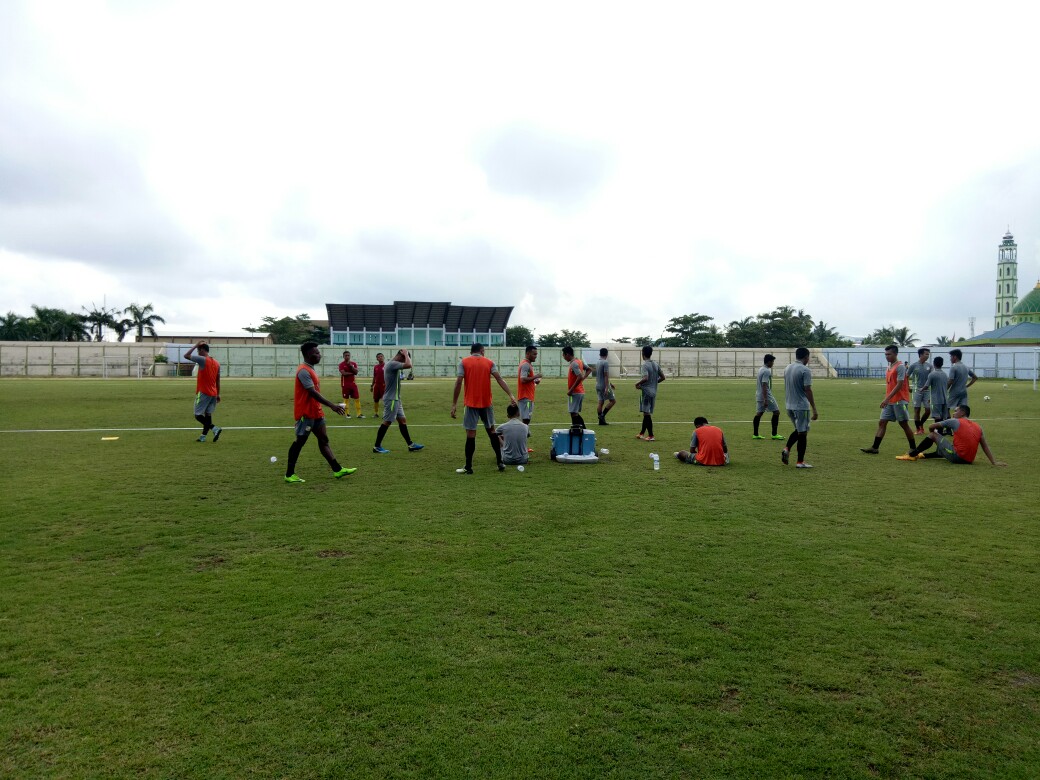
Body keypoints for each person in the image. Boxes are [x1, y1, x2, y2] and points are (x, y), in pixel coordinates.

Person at [284, 342, 356, 483]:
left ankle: (337, 469)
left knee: (324, 440)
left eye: (319, 352)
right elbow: (312, 393)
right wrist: (332, 406)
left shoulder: (310, 369)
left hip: (316, 412)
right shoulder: (303, 371)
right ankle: (289, 474)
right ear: (309, 355)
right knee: (299, 442)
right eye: (316, 353)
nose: (319, 355)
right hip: (306, 414)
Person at [451, 343, 517, 474]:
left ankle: (469, 467)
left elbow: (458, 382)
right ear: (481, 351)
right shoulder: (489, 362)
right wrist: (510, 395)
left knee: (471, 434)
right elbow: (499, 379)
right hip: (486, 403)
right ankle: (500, 462)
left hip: (470, 404)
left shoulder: (464, 362)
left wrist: (454, 404)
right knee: (492, 431)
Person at [897, 405, 1006, 466]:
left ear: (962, 413)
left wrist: (934, 432)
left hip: (957, 457)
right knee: (945, 447)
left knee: (934, 436)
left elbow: (931, 426)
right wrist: (994, 462)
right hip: (969, 460)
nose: (953, 413)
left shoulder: (954, 421)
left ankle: (913, 454)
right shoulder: (978, 426)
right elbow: (985, 446)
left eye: (956, 411)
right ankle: (923, 455)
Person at [860, 345, 917, 455]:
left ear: (896, 354)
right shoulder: (889, 366)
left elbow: (899, 385)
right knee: (882, 422)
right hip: (890, 400)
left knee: (903, 424)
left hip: (899, 400)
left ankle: (913, 448)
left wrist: (887, 399)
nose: (887, 356)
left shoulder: (900, 367)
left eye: (889, 354)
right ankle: (875, 447)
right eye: (885, 354)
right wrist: (888, 399)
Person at [372, 349, 424, 454]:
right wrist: (405, 353)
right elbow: (409, 365)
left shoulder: (392, 363)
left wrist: (404, 354)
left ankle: (410, 444)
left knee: (402, 420)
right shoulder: (392, 364)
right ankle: (377, 446)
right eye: (404, 358)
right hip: (391, 399)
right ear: (400, 356)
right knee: (387, 421)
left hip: (396, 398)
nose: (404, 361)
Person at [782, 346, 818, 468]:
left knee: (799, 430)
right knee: (803, 433)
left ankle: (787, 448)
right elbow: (807, 389)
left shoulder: (788, 367)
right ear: (806, 357)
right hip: (801, 406)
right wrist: (814, 408)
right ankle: (800, 462)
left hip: (789, 405)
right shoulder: (805, 370)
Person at [183, 340, 222, 443]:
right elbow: (218, 381)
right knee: (208, 415)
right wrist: (218, 394)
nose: (197, 352)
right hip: (213, 393)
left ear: (203, 350)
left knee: (198, 415)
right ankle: (203, 436)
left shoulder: (202, 359)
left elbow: (186, 355)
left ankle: (214, 428)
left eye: (198, 350)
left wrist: (195, 345)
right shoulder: (217, 363)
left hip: (203, 392)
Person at [634, 345, 665, 441]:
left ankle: (651, 435)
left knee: (646, 413)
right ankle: (642, 433)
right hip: (653, 392)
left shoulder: (645, 365)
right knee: (645, 412)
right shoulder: (655, 364)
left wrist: (637, 383)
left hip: (646, 392)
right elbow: (663, 377)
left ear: (642, 354)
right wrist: (654, 383)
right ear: (650, 354)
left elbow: (645, 378)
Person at [752, 354, 783, 440]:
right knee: (777, 412)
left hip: (759, 394)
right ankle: (774, 434)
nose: (773, 363)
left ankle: (755, 434)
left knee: (759, 413)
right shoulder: (766, 371)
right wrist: (766, 399)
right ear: (769, 361)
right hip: (766, 395)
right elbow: (764, 385)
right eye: (773, 361)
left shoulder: (761, 369)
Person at [562, 345, 593, 428]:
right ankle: (578, 429)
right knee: (574, 412)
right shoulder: (579, 361)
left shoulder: (574, 364)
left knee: (573, 413)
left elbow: (579, 376)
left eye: (563, 355)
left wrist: (571, 390)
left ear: (567, 354)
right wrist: (582, 379)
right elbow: (589, 369)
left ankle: (581, 430)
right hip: (579, 391)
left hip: (575, 392)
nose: (563, 357)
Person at [906, 347, 933, 434]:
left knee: (928, 410)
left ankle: (920, 424)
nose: (928, 356)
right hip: (916, 390)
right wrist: (908, 387)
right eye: (926, 354)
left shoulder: (930, 366)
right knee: (917, 410)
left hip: (927, 391)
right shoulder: (913, 365)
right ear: (921, 355)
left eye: (928, 354)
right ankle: (918, 429)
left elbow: (932, 377)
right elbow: (906, 377)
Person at [517, 344, 542, 426]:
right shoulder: (525, 365)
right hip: (526, 397)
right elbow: (523, 379)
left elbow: (527, 379)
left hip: (527, 396)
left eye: (536, 354)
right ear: (528, 354)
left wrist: (535, 381)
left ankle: (524, 435)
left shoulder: (527, 364)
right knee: (526, 419)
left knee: (526, 419)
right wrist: (536, 376)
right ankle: (523, 436)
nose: (536, 356)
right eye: (534, 354)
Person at [925, 355, 950, 424]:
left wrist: (920, 390)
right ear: (942, 364)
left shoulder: (932, 374)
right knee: (944, 416)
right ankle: (945, 430)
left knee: (937, 416)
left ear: (934, 363)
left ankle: (939, 432)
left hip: (936, 399)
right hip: (944, 398)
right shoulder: (945, 374)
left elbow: (926, 386)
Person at [338, 350, 363, 418]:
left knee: (357, 398)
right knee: (346, 399)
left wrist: (351, 367)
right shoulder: (341, 364)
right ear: (343, 356)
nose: (347, 357)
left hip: (353, 384)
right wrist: (352, 373)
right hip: (345, 384)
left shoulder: (353, 363)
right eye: (346, 355)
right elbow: (344, 373)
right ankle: (347, 413)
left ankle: (359, 414)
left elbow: (356, 372)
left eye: (348, 355)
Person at [595, 347, 617, 425]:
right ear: (606, 354)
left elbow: (600, 375)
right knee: (613, 401)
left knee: (600, 402)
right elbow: (605, 376)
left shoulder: (597, 362)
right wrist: (607, 387)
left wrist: (610, 384)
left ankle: (601, 421)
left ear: (599, 354)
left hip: (597, 385)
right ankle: (602, 415)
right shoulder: (605, 362)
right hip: (604, 385)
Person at [370, 352, 386, 417]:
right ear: (377, 358)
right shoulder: (376, 367)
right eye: (379, 357)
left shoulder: (386, 366)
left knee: (385, 399)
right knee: (376, 399)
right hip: (377, 385)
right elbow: (374, 376)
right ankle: (376, 413)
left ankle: (385, 413)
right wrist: (372, 385)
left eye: (381, 356)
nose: (380, 358)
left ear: (383, 357)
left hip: (384, 385)